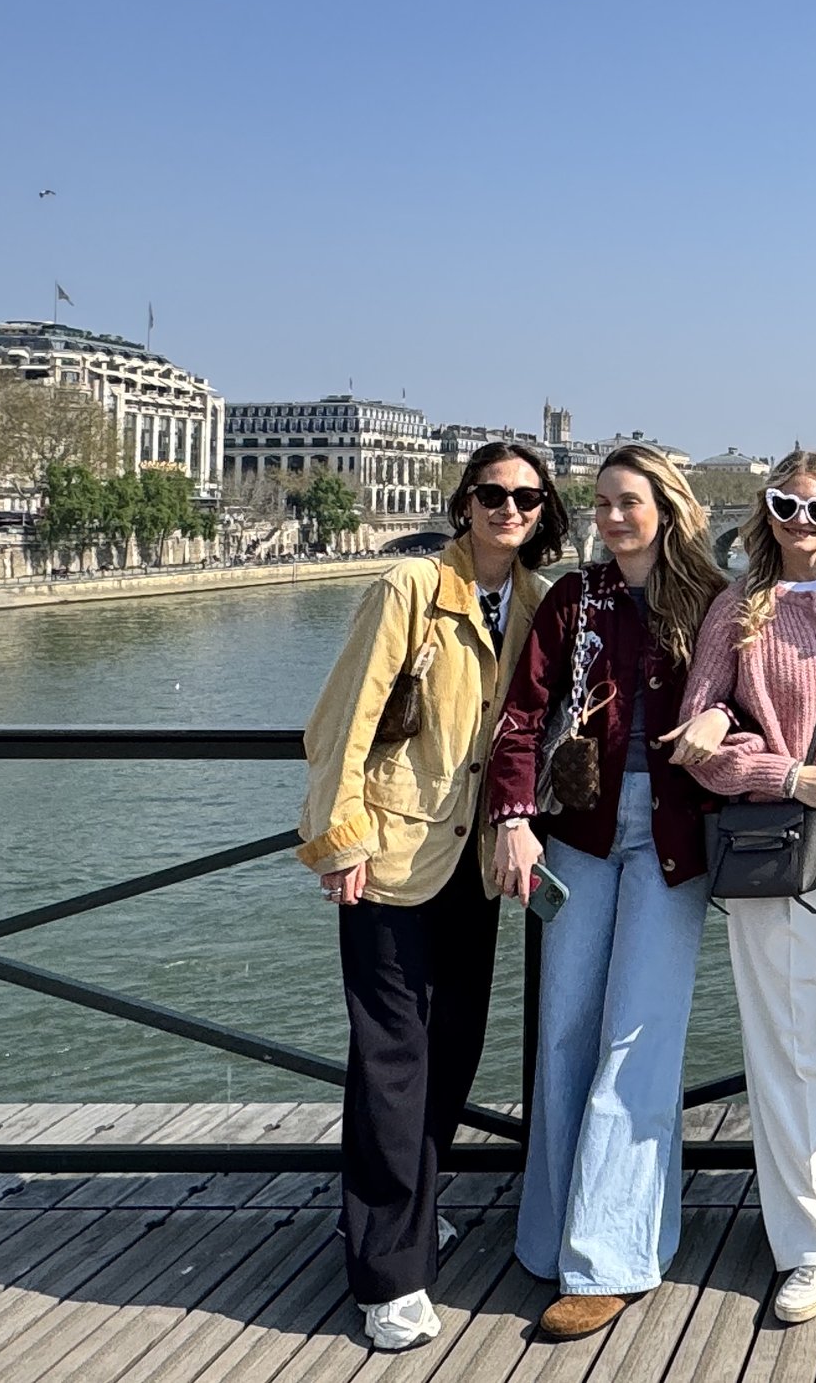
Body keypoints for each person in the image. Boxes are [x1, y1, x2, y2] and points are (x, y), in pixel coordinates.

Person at [296, 441, 563, 1353]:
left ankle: (397, 1213)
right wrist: (339, 837)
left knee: (453, 1046)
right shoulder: (409, 587)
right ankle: (386, 1271)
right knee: (391, 1058)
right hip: (394, 852)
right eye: (493, 493)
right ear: (464, 501)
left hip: (477, 859)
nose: (509, 508)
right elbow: (343, 720)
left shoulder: (532, 601)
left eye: (526, 496)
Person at [487, 445, 727, 1342]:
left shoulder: (709, 602)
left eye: (629, 501)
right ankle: (553, 1229)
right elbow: (520, 714)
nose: (613, 515)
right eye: (602, 502)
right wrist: (514, 816)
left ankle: (608, 1256)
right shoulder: (571, 599)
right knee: (564, 1029)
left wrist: (723, 718)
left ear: (667, 507)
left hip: (671, 840)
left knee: (639, 1037)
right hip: (578, 833)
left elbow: (747, 695)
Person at [668, 452, 816, 1326]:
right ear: (765, 512)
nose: (802, 518)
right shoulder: (737, 609)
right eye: (785, 504)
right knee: (783, 1038)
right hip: (776, 836)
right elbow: (696, 742)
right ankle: (811, 1243)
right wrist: (782, 771)